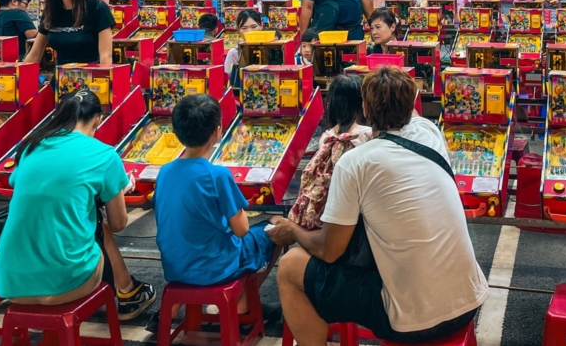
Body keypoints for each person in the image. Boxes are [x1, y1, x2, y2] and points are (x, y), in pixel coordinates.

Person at [268, 67, 488, 346]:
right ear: (412, 103)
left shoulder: (356, 162)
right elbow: (406, 113)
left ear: (365, 108)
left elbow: (329, 250)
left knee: (289, 266)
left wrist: (292, 230)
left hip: (413, 321)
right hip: (469, 302)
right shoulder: (429, 132)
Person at [0, 90, 155, 317]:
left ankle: (129, 290)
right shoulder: (104, 155)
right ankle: (129, 294)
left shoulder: (30, 146)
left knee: (73, 216)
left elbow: (29, 187)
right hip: (66, 282)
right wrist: (118, 190)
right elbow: (119, 224)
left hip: (9, 282)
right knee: (97, 224)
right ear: (98, 119)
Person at [154, 95, 277, 304]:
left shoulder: (164, 171)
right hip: (215, 268)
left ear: (175, 132)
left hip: (175, 266)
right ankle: (243, 306)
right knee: (275, 229)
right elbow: (242, 230)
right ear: (218, 131)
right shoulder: (217, 175)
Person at [289, 75, 371, 230]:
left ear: (331, 104)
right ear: (362, 103)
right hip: (356, 215)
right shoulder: (366, 135)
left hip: (324, 213)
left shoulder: (326, 138)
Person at [224, 9, 264, 76]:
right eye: (244, 28)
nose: (249, 31)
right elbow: (231, 79)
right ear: (238, 29)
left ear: (261, 25)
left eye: (254, 27)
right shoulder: (234, 53)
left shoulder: (275, 47)